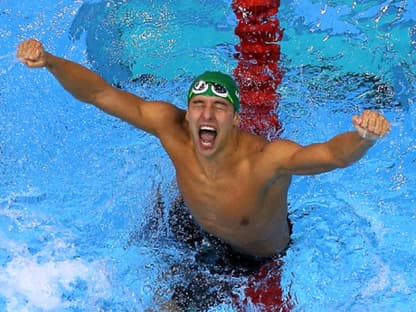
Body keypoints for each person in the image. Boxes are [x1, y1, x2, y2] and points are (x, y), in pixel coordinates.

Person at [17, 39, 390, 309]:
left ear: (236, 119)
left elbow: (330, 156)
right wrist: (51, 61)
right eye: (198, 105)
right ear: (189, 112)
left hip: (245, 258)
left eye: (218, 107)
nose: (206, 115)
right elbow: (99, 93)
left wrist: (364, 137)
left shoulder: (266, 160)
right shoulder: (171, 127)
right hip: (190, 220)